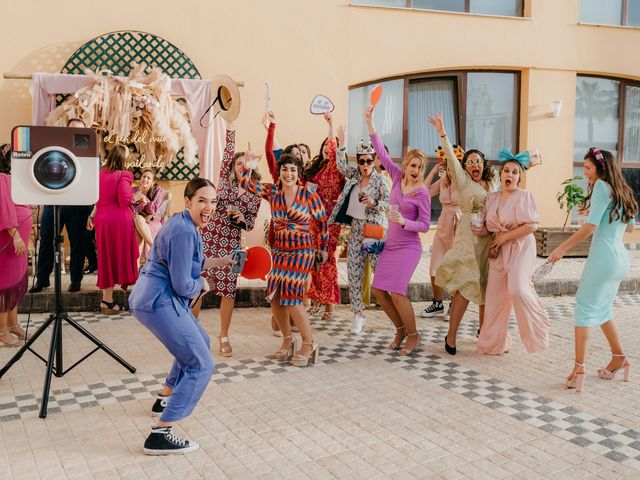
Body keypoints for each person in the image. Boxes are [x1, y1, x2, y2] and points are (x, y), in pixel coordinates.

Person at [129, 178, 233, 454]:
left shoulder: (183, 223)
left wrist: (221, 261)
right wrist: (202, 284)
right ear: (187, 201)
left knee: (199, 338)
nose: (208, 207)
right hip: (159, 301)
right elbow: (184, 284)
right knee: (201, 364)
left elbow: (190, 264)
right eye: (202, 200)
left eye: (213, 201)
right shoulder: (187, 232)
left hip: (151, 297)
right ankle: (160, 434)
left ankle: (164, 398)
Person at [549, 148, 637, 392]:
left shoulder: (600, 187)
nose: (585, 172)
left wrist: (562, 248)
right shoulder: (622, 190)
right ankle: (619, 357)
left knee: (585, 308)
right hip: (620, 258)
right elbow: (627, 228)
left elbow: (589, 229)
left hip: (603, 257)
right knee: (603, 309)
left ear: (600, 168)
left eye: (587, 168)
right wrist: (596, 215)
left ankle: (579, 367)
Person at [241, 153, 329, 366]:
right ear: (279, 173)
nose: (288, 174)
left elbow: (323, 222)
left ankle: (309, 343)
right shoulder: (273, 192)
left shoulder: (308, 194)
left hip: (302, 252)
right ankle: (288, 341)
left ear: (298, 174)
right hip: (280, 251)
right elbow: (247, 184)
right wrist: (251, 163)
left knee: (292, 296)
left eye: (292, 170)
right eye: (284, 170)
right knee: (275, 296)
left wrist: (324, 249)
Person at [428, 112, 497, 355]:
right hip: (469, 237)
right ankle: (451, 335)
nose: (474, 164)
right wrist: (442, 133)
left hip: (491, 237)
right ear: (465, 168)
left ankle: (484, 333)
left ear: (484, 164)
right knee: (467, 285)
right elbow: (452, 160)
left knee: (487, 286)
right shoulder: (464, 182)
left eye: (478, 161)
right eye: (469, 162)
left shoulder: (495, 182)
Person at [365, 107, 431, 356]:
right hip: (391, 245)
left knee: (398, 291)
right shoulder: (396, 177)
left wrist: (404, 221)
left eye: (419, 167)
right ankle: (400, 329)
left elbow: (424, 226)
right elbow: (380, 151)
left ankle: (413, 335)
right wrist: (370, 123)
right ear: (406, 164)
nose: (415, 170)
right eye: (412, 165)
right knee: (379, 291)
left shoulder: (422, 192)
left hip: (409, 247)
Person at [472, 149, 550, 355]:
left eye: (515, 172)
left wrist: (504, 237)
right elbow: (488, 227)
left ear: (519, 176)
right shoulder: (492, 198)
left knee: (517, 289)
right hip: (499, 250)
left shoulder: (525, 196)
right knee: (495, 297)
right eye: (506, 171)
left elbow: (531, 226)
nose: (510, 175)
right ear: (501, 174)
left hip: (521, 247)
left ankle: (539, 327)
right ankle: (493, 344)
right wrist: (477, 228)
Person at [196, 127, 261, 356]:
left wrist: (243, 220)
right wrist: (231, 130)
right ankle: (192, 332)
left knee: (228, 292)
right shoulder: (224, 183)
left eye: (246, 163)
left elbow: (251, 224)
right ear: (232, 168)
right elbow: (227, 154)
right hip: (208, 241)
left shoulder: (255, 195)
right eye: (238, 163)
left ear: (253, 167)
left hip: (231, 245)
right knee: (197, 287)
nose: (242, 166)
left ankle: (223, 336)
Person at [329, 126, 389, 334]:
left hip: (373, 230)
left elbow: (389, 205)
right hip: (355, 229)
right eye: (361, 161)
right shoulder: (353, 174)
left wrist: (373, 201)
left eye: (369, 161)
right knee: (353, 272)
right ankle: (358, 315)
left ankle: (392, 312)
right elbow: (340, 164)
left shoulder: (381, 180)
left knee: (379, 273)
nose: (365, 165)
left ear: (375, 160)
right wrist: (342, 141)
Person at [29, 118, 93, 293]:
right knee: (46, 241)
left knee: (77, 243)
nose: (74, 133)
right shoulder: (56, 148)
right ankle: (42, 280)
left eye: (79, 130)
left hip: (78, 205)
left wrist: (90, 210)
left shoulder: (90, 152)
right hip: (53, 202)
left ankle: (75, 280)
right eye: (71, 129)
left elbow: (92, 180)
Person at [305, 113, 343, 321]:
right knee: (314, 261)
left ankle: (330, 307)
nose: (329, 150)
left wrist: (331, 126)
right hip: (313, 218)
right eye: (326, 147)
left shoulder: (336, 169)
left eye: (332, 148)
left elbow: (335, 147)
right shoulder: (317, 168)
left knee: (327, 261)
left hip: (331, 218)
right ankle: (318, 299)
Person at [94, 145, 139, 314]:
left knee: (106, 258)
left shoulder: (99, 174)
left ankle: (107, 301)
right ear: (123, 159)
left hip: (102, 219)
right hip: (119, 220)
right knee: (124, 255)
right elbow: (124, 199)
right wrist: (136, 197)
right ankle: (136, 301)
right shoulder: (124, 175)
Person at [421, 144, 464, 319]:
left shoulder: (465, 179)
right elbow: (424, 192)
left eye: (453, 159)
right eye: (447, 159)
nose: (450, 162)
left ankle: (455, 304)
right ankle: (437, 303)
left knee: (456, 266)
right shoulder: (444, 178)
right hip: (444, 222)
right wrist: (433, 171)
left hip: (460, 223)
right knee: (435, 266)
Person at [0, 144, 32, 346]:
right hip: (9, 240)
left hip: (18, 242)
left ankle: (13, 324)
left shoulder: (13, 178)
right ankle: (2, 330)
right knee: (5, 285)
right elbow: (3, 208)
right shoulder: (2, 178)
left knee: (15, 284)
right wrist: (16, 235)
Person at [132, 168, 166, 259]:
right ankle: (154, 248)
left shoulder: (158, 191)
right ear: (141, 177)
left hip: (153, 219)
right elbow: (132, 211)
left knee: (138, 228)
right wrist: (141, 205)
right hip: (137, 219)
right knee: (137, 220)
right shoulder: (133, 191)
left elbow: (154, 210)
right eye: (144, 176)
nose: (145, 179)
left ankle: (137, 267)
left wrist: (145, 200)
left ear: (152, 182)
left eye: (148, 178)